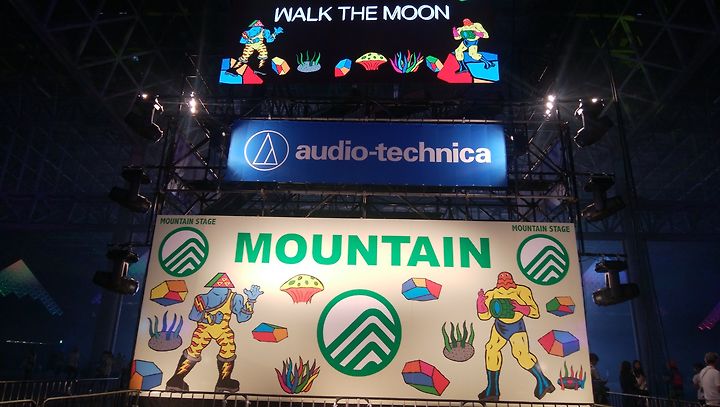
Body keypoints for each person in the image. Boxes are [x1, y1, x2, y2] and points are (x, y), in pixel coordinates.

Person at [165, 273, 263, 393]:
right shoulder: (202, 298)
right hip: (203, 329)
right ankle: (176, 380)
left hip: (223, 329)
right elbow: (194, 316)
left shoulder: (234, 298)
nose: (219, 291)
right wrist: (211, 319)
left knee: (228, 348)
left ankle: (224, 381)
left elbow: (242, 318)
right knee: (194, 350)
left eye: (223, 288)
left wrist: (251, 301)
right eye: (217, 288)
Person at [476, 272, 555, 401]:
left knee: (521, 355)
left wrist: (520, 308)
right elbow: (484, 316)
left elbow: (535, 312)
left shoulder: (522, 291)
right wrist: (481, 304)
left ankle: (544, 382)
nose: (504, 280)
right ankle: (492, 389)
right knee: (491, 349)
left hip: (516, 327)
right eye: (501, 278)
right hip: (499, 326)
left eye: (506, 277)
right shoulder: (492, 293)